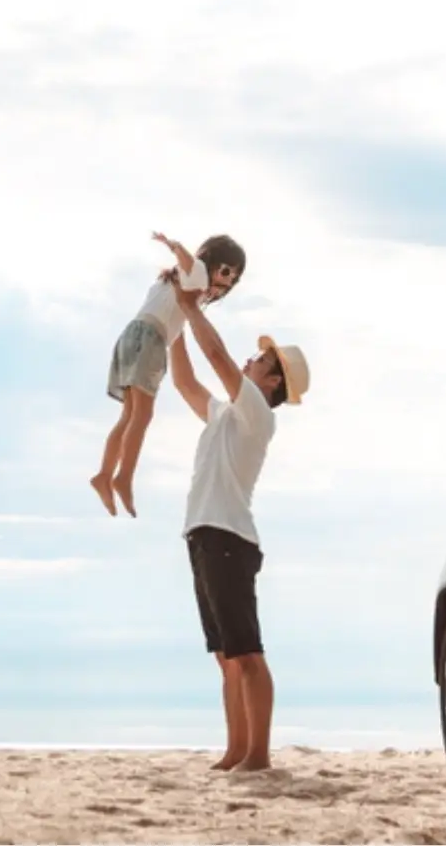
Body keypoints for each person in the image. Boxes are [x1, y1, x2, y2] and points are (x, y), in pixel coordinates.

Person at [165, 284, 309, 772]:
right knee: (226, 656)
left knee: (247, 653)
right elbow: (185, 381)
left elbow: (216, 354)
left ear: (271, 383)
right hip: (205, 535)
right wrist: (173, 323)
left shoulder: (254, 414)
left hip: (229, 539)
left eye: (261, 361)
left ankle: (258, 756)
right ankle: (236, 752)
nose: (250, 361)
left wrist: (189, 307)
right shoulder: (225, 413)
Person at [90, 231, 246, 518]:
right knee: (143, 415)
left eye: (233, 278)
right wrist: (175, 246)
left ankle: (104, 475)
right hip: (150, 340)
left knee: (128, 416)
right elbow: (193, 263)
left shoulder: (174, 283)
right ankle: (123, 478)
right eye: (225, 271)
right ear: (211, 262)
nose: (227, 280)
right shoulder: (196, 274)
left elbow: (177, 319)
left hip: (133, 337)